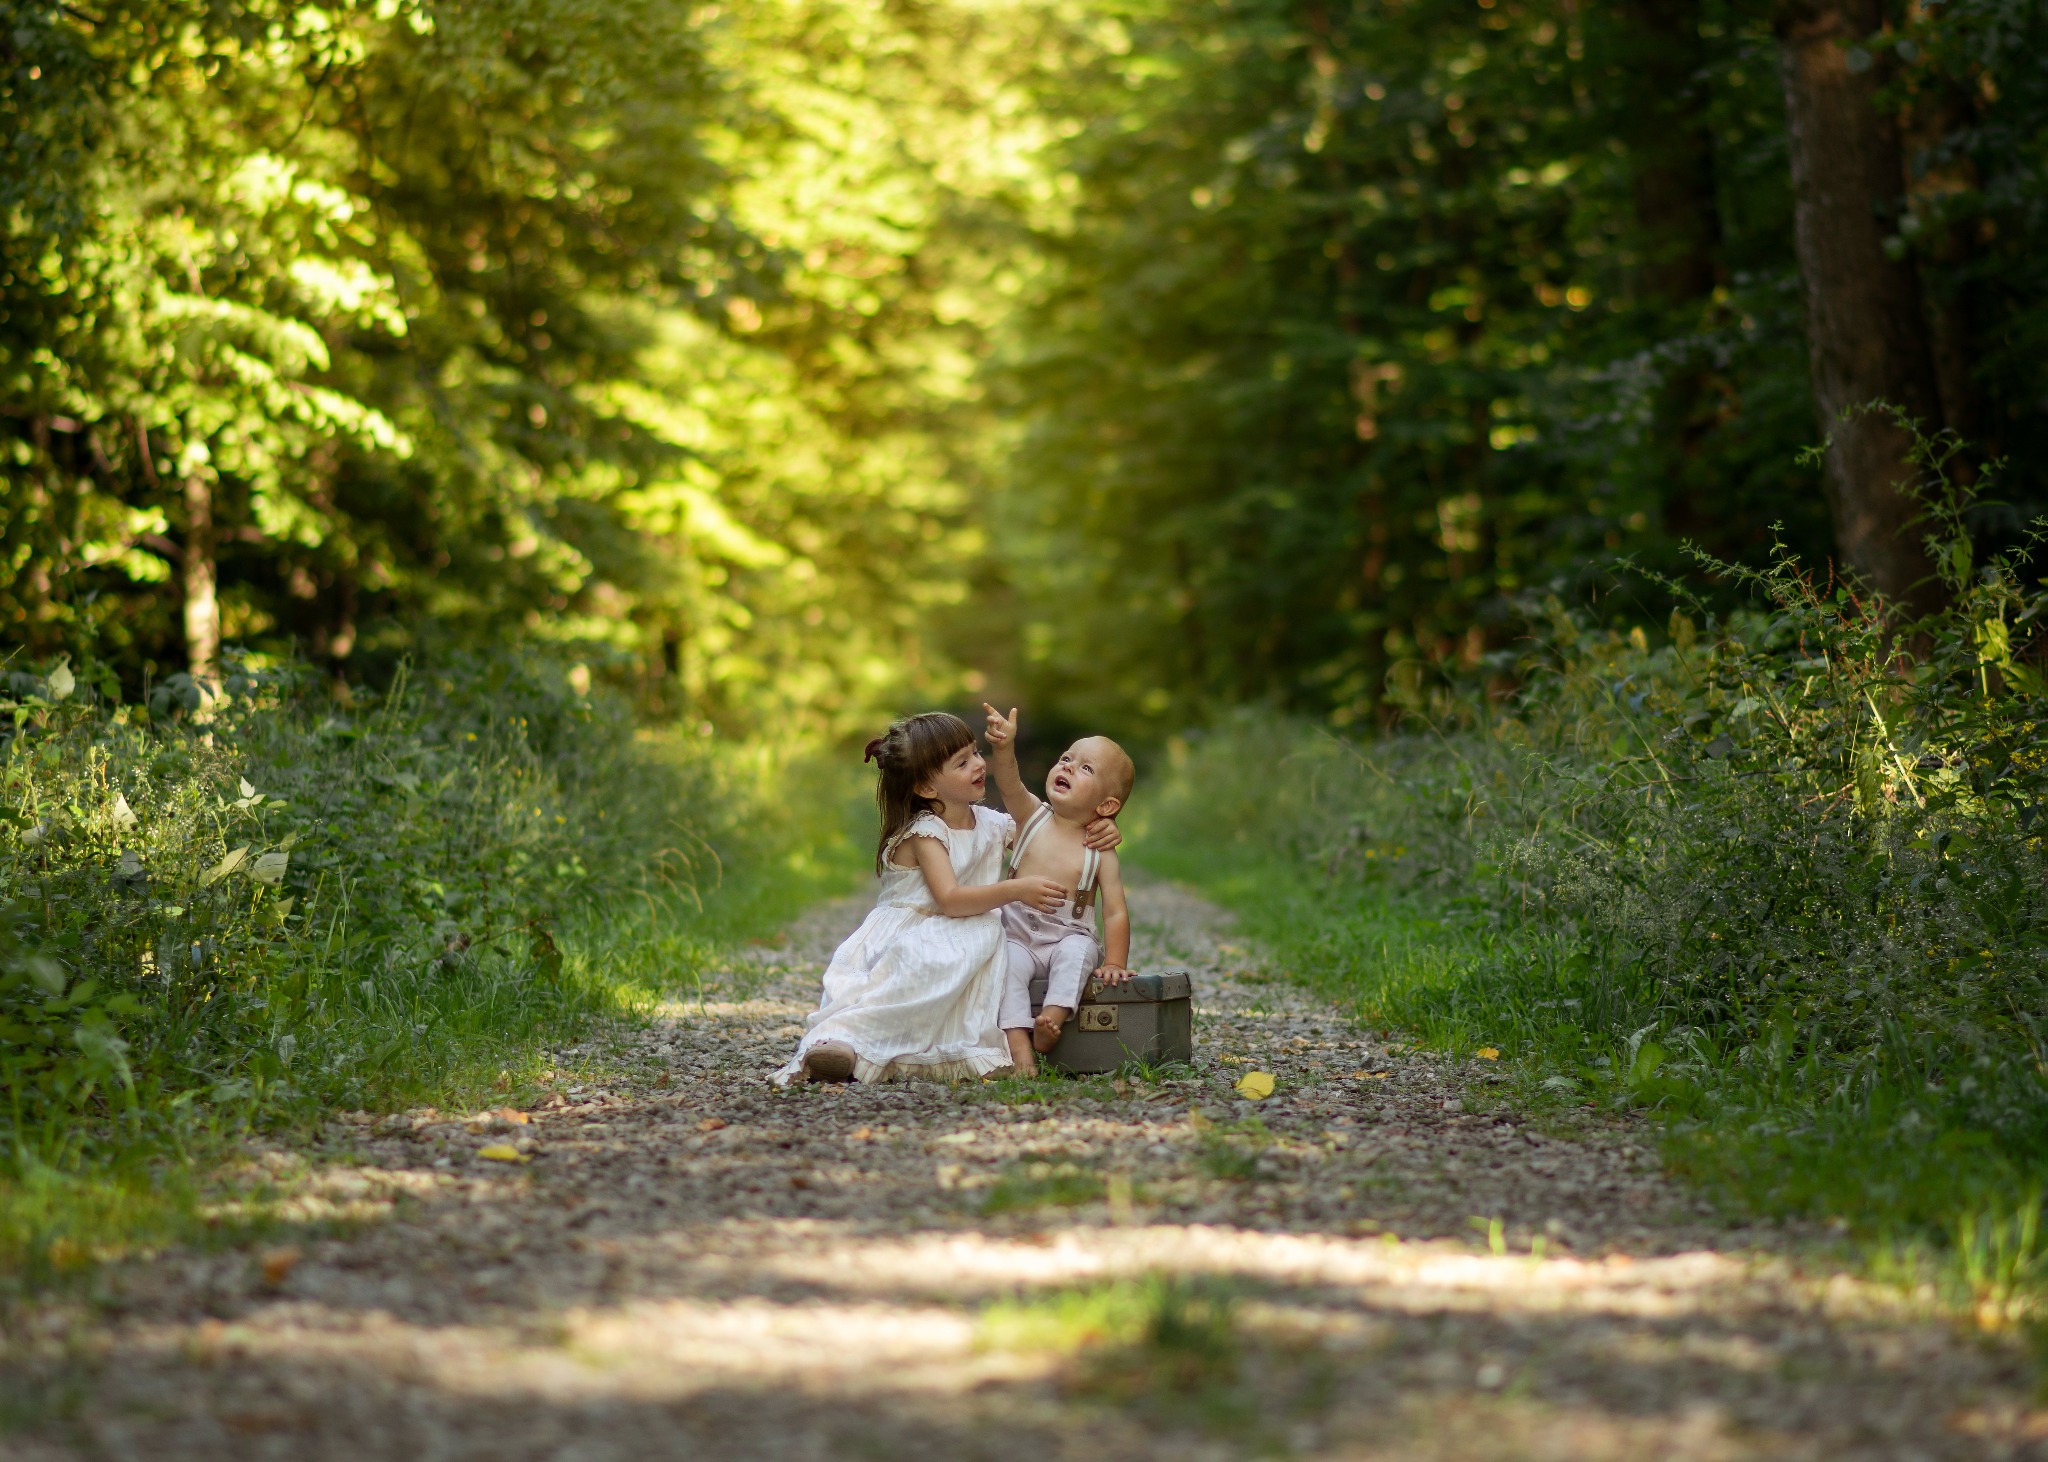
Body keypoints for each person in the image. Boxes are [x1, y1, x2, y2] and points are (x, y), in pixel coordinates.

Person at [774, 711, 1121, 1085]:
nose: (979, 764)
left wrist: (1097, 826)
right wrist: (1017, 890)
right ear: (926, 788)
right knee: (905, 984)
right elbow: (950, 900)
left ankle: (970, 1048)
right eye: (962, 762)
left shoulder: (990, 823)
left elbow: (1050, 834)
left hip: (960, 929)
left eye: (975, 753)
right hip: (916, 930)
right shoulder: (926, 832)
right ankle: (841, 1043)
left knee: (987, 946)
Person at [982, 703, 1134, 1077]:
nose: (1067, 766)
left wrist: (1114, 962)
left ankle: (1053, 1017)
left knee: (1079, 953)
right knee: (1005, 968)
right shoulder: (1032, 815)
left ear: (1107, 805)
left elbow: (1114, 910)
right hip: (1016, 930)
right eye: (1067, 758)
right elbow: (1009, 783)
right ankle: (1020, 1049)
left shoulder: (1101, 851)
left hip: (1067, 932)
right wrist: (1003, 748)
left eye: (1085, 768)